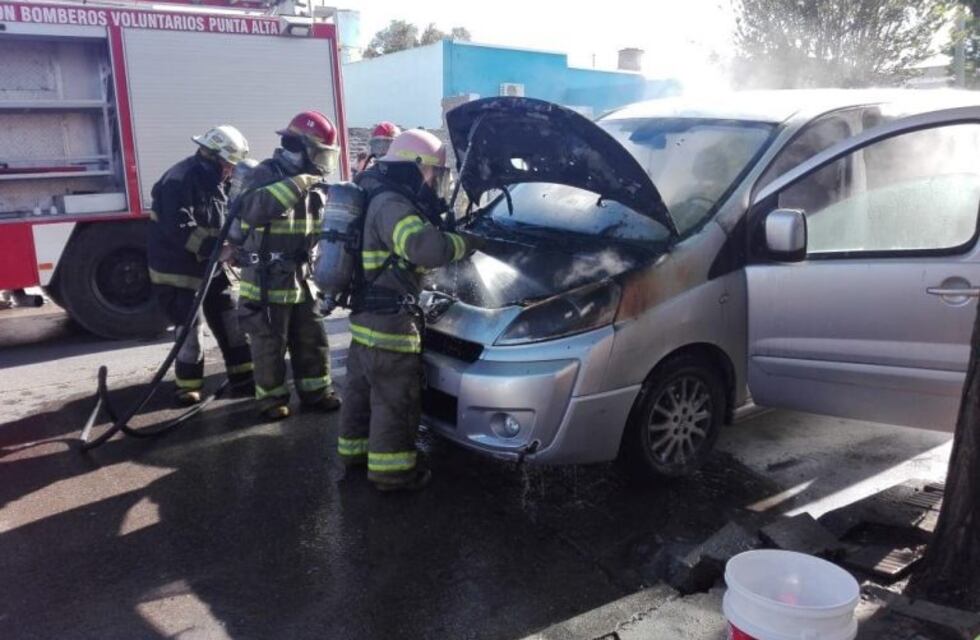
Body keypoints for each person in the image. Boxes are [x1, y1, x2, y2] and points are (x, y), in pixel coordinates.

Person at [338, 129, 477, 492]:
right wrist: (465, 243)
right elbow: (422, 248)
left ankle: (355, 454)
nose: (434, 181)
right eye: (434, 172)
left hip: (365, 318)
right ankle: (393, 473)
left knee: (360, 393)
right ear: (419, 166)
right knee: (393, 399)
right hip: (391, 323)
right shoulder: (393, 203)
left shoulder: (370, 190)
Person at [233, 111, 342, 420]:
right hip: (266, 278)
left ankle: (316, 392)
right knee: (270, 344)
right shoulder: (265, 173)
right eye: (319, 152)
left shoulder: (314, 183)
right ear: (302, 146)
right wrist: (298, 183)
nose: (322, 161)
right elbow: (253, 210)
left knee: (313, 339)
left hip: (302, 277)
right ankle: (271, 400)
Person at [147, 125, 254, 405]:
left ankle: (244, 377)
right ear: (212, 156)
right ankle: (188, 387)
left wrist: (230, 248)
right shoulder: (179, 180)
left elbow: (221, 219)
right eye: (228, 165)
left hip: (210, 266)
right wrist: (218, 250)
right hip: (177, 271)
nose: (231, 171)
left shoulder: (216, 179)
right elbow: (180, 229)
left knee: (229, 318)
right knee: (191, 330)